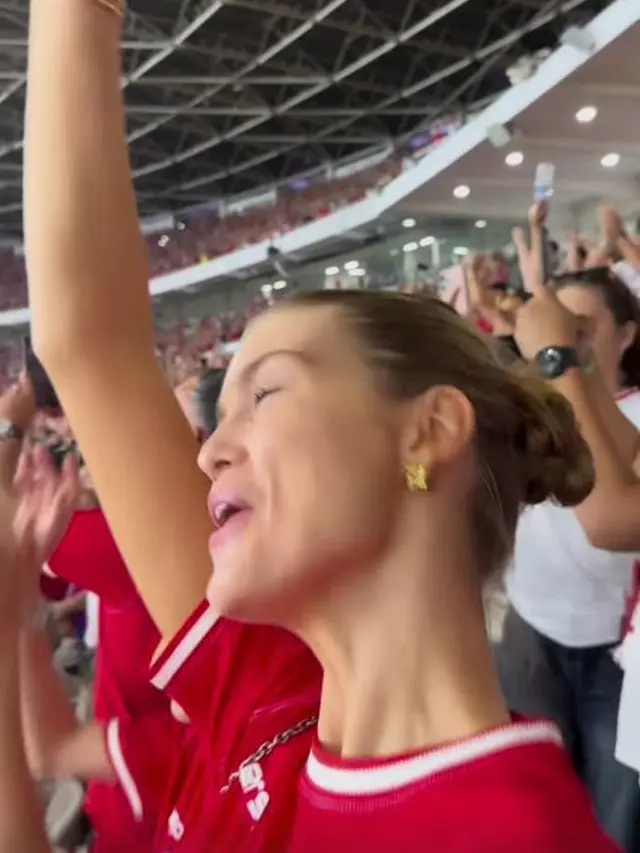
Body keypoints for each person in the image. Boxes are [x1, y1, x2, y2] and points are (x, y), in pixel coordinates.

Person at [497, 265, 640, 851]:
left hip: (610, 647)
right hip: (538, 631)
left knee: (614, 820)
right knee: (547, 796)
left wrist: (557, 356)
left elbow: (610, 520)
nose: (575, 338)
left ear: (626, 334)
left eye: (586, 327)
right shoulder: (569, 399)